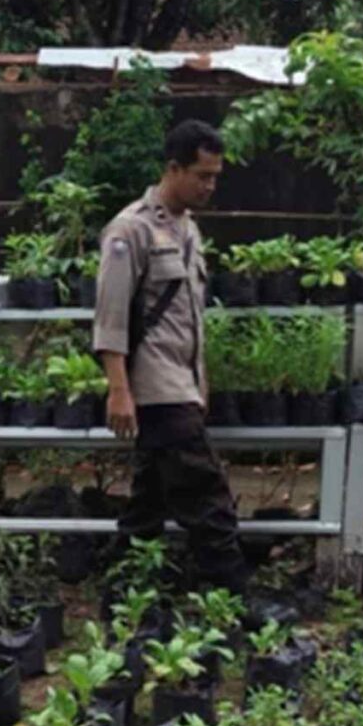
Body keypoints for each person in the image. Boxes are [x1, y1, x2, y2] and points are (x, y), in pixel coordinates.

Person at [92, 118, 249, 595]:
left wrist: (201, 380)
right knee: (207, 495)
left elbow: (190, 318)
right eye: (202, 175)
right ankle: (234, 598)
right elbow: (111, 317)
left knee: (151, 501)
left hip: (181, 382)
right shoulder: (130, 230)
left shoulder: (189, 231)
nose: (210, 185)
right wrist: (120, 390)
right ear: (173, 169)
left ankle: (121, 592)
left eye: (216, 175)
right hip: (154, 387)